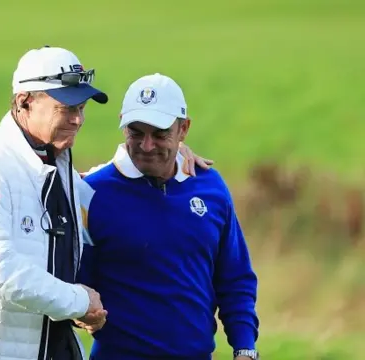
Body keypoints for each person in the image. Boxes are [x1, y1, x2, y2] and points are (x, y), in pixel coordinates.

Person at [0, 46, 211, 360]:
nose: (78, 120)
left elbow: (104, 184)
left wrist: (171, 157)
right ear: (25, 101)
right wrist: (78, 301)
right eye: (66, 108)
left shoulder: (56, 158)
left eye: (82, 107)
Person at [76, 73, 260, 360]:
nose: (147, 145)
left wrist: (245, 348)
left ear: (183, 129)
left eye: (160, 134)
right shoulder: (90, 192)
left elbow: (234, 278)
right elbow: (74, 283)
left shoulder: (210, 186)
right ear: (122, 123)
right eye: (136, 132)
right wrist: (81, 312)